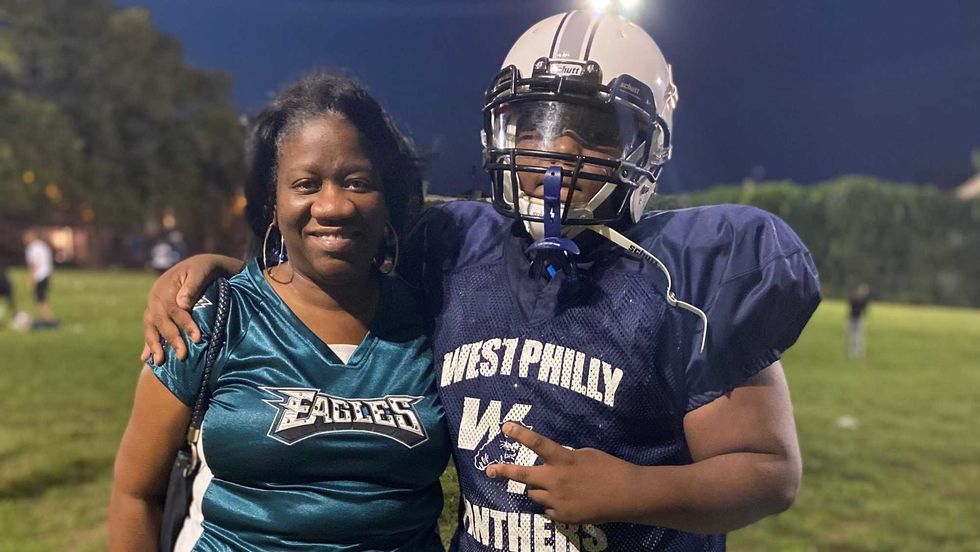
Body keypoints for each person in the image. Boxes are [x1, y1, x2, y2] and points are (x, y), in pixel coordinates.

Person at [141, 11, 821, 551]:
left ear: (649, 143)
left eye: (594, 130)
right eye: (536, 124)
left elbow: (767, 472)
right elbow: (330, 261)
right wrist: (221, 271)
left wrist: (630, 491)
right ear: (500, 130)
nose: (557, 152)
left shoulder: (693, 268)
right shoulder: (456, 244)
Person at [110, 72, 450, 551]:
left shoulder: (432, 319)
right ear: (274, 200)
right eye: (306, 184)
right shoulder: (209, 317)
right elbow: (135, 494)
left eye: (356, 182)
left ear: (387, 198)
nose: (332, 205)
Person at [23, 229, 59, 329]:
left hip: (39, 276)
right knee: (43, 299)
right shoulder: (43, 246)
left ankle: (51, 320)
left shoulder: (32, 248)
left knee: (40, 301)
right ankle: (49, 319)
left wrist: (31, 281)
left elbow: (33, 266)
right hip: (47, 274)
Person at [847, 282, 871, 359]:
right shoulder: (853, 299)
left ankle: (858, 353)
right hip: (852, 319)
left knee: (858, 337)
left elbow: (865, 311)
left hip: (859, 319)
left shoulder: (863, 301)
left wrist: (865, 319)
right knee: (852, 337)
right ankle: (852, 353)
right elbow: (850, 310)